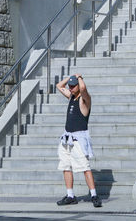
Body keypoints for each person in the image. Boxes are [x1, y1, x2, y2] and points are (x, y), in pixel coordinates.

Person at [55, 73, 102, 207]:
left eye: (73, 86)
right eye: (69, 86)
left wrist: (80, 78)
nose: (70, 88)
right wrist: (70, 77)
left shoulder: (84, 99)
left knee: (85, 167)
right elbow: (59, 85)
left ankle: (94, 195)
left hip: (79, 138)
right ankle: (70, 195)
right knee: (66, 166)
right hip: (67, 137)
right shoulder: (71, 96)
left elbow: (83, 89)